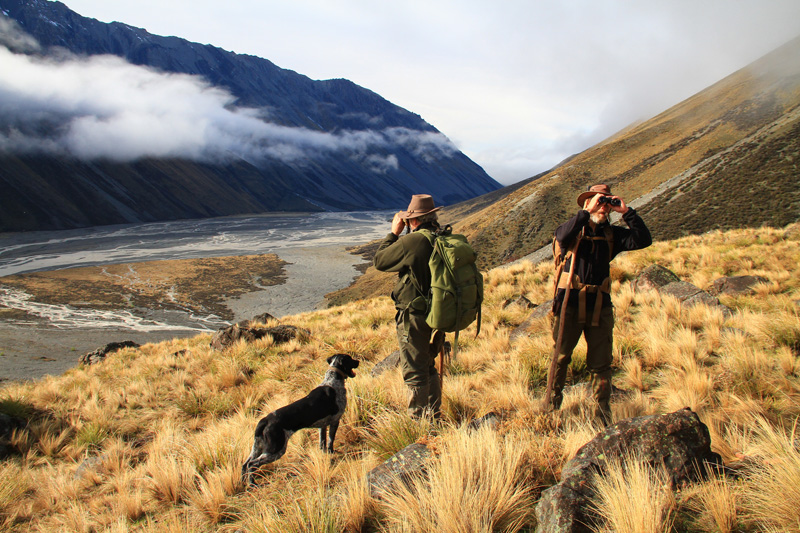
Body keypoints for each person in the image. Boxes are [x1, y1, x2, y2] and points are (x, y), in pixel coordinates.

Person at [549, 184, 652, 425]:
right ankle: (551, 408)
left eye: (606, 203)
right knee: (561, 357)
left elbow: (643, 240)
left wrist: (627, 212)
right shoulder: (573, 230)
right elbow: (560, 236)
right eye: (597, 201)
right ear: (587, 203)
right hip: (569, 304)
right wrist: (586, 212)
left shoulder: (611, 235)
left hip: (600, 307)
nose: (602, 207)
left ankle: (601, 416)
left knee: (601, 363)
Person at [374, 194, 444, 419]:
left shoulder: (414, 241)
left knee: (414, 370)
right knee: (426, 363)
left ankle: (418, 423)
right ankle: (433, 415)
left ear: (414, 220)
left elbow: (381, 261)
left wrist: (394, 233)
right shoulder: (440, 236)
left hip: (414, 315)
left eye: (408, 219)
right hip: (436, 311)